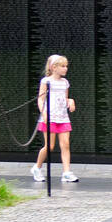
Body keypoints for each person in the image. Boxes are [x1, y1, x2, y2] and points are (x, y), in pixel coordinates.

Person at [31, 54, 77, 183]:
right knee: (49, 146)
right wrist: (44, 113)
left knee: (65, 144)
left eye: (66, 66)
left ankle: (66, 172)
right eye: (63, 66)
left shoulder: (65, 82)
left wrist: (70, 101)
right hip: (49, 117)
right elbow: (41, 99)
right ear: (53, 67)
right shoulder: (46, 81)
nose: (65, 69)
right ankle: (37, 167)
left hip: (63, 117)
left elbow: (65, 97)